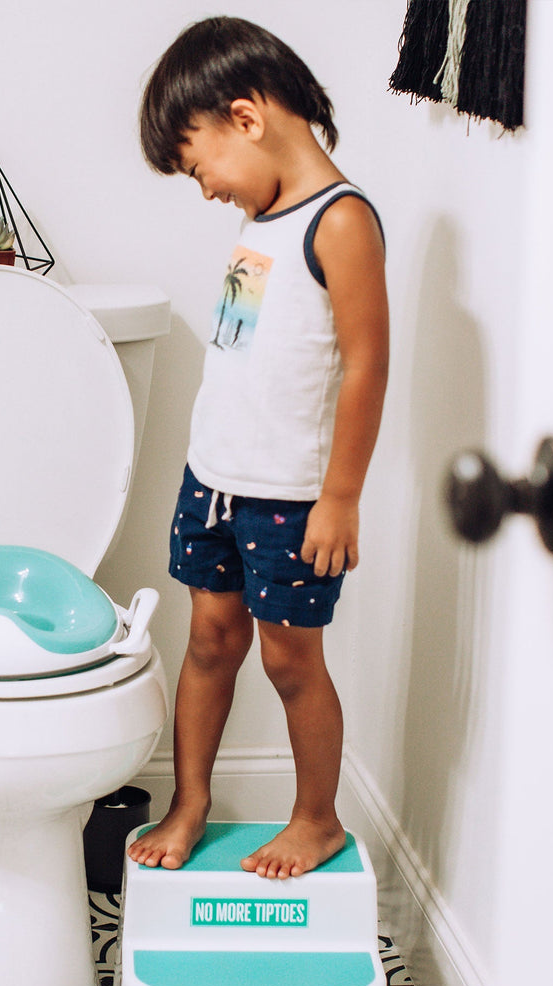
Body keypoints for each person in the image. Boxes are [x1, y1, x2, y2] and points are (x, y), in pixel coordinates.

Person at [127, 16, 389, 878]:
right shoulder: (258, 219)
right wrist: (208, 457)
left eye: (197, 165)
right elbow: (234, 346)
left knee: (290, 660)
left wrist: (340, 497)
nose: (204, 189)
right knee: (208, 642)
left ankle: (317, 819)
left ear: (245, 117)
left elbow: (366, 366)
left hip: (289, 495)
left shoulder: (340, 222)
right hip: (214, 479)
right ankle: (190, 801)